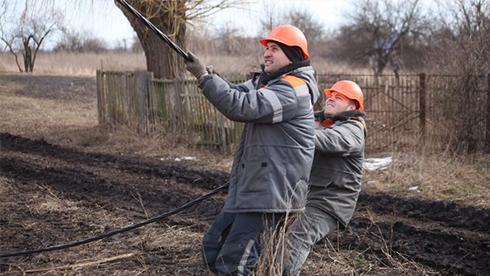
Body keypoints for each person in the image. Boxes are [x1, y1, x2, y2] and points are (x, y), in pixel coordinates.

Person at [185, 25, 320, 275]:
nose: (267, 54)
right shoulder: (268, 82)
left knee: (235, 265)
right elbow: (236, 92)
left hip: (271, 195)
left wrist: (204, 77)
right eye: (266, 49)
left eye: (275, 49)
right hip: (254, 188)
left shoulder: (293, 89)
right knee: (212, 248)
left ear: (293, 55)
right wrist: (214, 79)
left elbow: (242, 106)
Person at [283, 80, 367, 275]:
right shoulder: (326, 123)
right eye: (330, 96)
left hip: (330, 203)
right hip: (311, 197)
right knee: (279, 234)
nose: (331, 100)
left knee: (297, 237)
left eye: (339, 98)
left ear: (352, 107)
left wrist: (298, 130)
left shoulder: (353, 130)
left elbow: (328, 140)